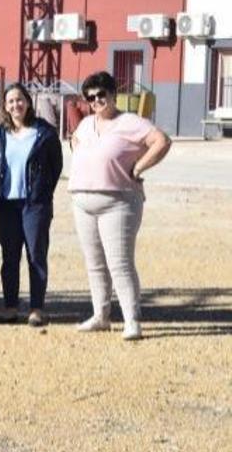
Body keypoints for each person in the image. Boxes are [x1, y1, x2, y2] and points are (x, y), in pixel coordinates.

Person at [68, 71, 171, 341]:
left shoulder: (130, 122)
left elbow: (161, 141)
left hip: (119, 201)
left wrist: (138, 167)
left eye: (102, 94)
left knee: (120, 263)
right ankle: (100, 315)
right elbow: (75, 143)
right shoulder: (86, 124)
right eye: (90, 97)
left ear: (113, 94)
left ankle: (131, 320)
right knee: (94, 263)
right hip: (82, 201)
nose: (97, 100)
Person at [0, 82, 63, 327]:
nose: (15, 105)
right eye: (10, 101)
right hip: (7, 204)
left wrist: (42, 193)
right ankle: (10, 306)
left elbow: (55, 167)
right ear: (5, 106)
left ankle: (36, 308)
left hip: (35, 204)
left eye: (19, 99)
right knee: (9, 257)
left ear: (28, 102)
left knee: (35, 255)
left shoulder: (45, 133)